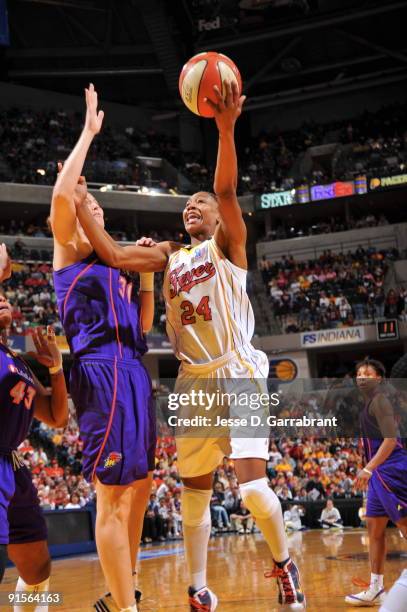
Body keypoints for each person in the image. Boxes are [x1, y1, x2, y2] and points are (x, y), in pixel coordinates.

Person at [75, 81, 305, 610]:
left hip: (238, 367)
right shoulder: (170, 256)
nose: (192, 206)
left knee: (249, 489)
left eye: (199, 202)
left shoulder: (228, 246)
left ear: (222, 218)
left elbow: (225, 191)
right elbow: (111, 252)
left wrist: (224, 130)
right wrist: (79, 202)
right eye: (187, 204)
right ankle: (199, 589)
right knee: (194, 493)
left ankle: (283, 563)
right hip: (193, 378)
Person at [50, 85, 156, 612]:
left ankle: (123, 592)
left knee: (140, 486)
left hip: (133, 367)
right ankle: (126, 608)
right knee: (113, 493)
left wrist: (147, 279)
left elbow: (144, 324)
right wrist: (88, 134)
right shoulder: (69, 250)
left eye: (92, 200)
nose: (86, 200)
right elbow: (60, 196)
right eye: (82, 199)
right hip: (99, 369)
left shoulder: (115, 264)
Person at [0, 244, 69, 612]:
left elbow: (57, 417)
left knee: (39, 568)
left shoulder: (19, 361)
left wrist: (56, 369)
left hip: (14, 468)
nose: (1, 299)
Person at [345, 358, 407, 607]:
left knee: (404, 524)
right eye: (358, 373)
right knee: (374, 529)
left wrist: (368, 469)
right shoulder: (369, 404)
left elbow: (391, 440)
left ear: (379, 378)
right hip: (379, 471)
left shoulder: (381, 400)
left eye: (367, 373)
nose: (361, 377)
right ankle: (376, 588)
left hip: (390, 469)